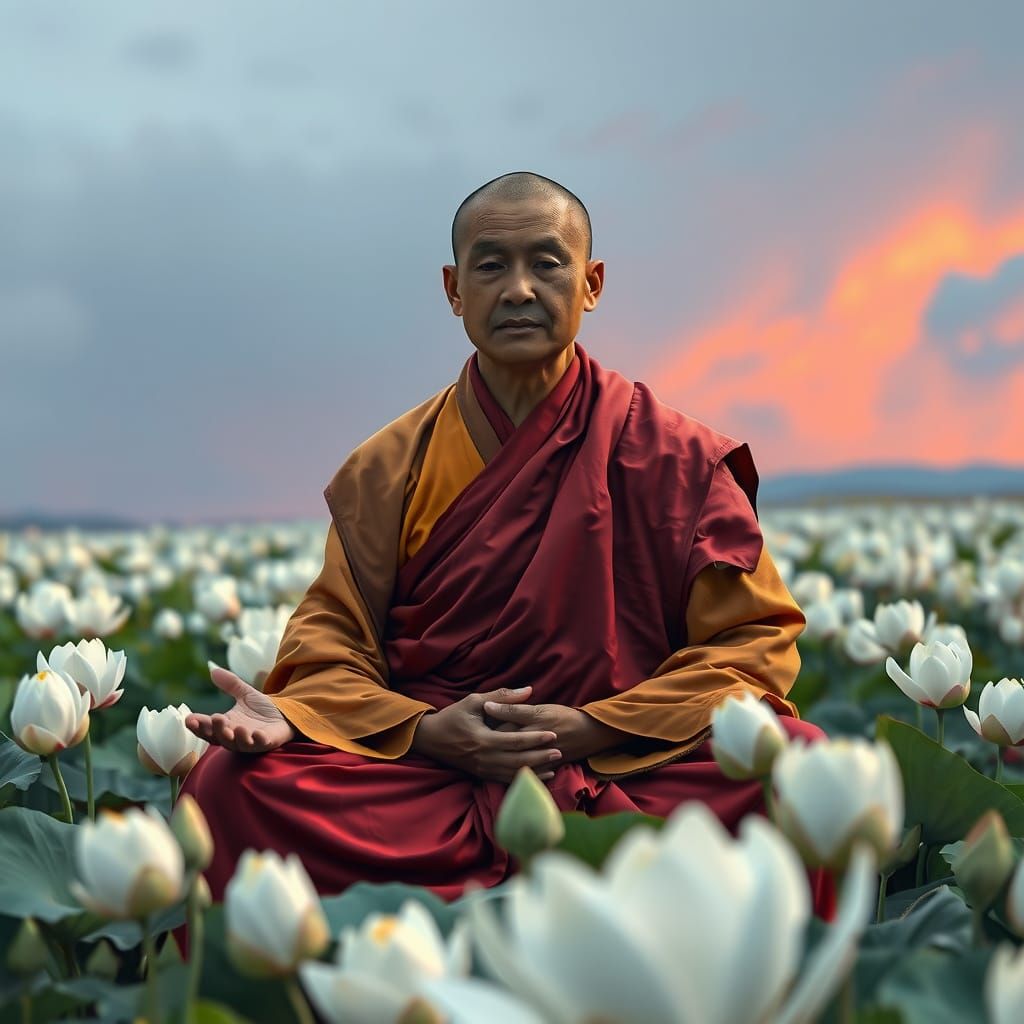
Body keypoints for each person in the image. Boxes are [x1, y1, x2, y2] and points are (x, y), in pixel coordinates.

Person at [180, 170, 833, 918]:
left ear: (591, 283)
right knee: (228, 787)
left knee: (797, 765)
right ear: (454, 290)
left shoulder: (676, 458)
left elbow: (751, 645)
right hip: (431, 773)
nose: (519, 289)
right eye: (491, 266)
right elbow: (334, 637)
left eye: (547, 263)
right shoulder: (388, 467)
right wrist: (425, 732)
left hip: (626, 758)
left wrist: (595, 726)